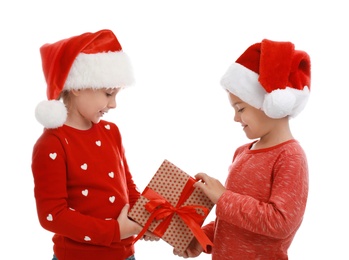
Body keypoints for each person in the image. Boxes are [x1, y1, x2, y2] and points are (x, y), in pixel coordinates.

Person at [174, 39, 311, 259]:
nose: (235, 117)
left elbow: (281, 222)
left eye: (240, 108)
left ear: (269, 105)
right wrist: (203, 238)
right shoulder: (242, 152)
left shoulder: (290, 156)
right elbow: (231, 220)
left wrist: (223, 197)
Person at [31, 29, 157, 260]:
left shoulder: (111, 131)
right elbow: (52, 214)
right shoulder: (53, 144)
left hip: (124, 254)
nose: (114, 104)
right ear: (78, 86)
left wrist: (144, 218)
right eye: (109, 94)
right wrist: (115, 231)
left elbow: (126, 185)